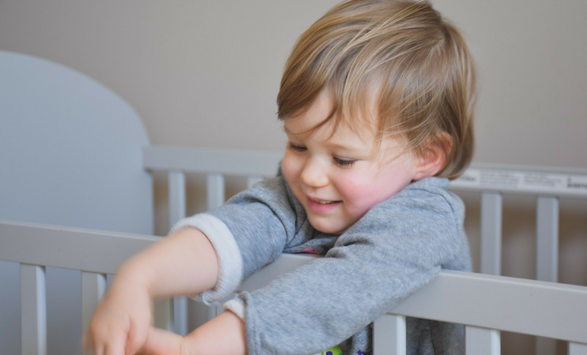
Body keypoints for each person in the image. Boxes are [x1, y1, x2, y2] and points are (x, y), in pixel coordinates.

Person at [84, 0, 477, 354]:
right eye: (298, 146)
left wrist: (198, 348)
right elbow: (234, 232)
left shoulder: (425, 220)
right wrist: (138, 278)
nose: (310, 174)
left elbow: (342, 289)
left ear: (426, 156)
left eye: (342, 159)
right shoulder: (299, 199)